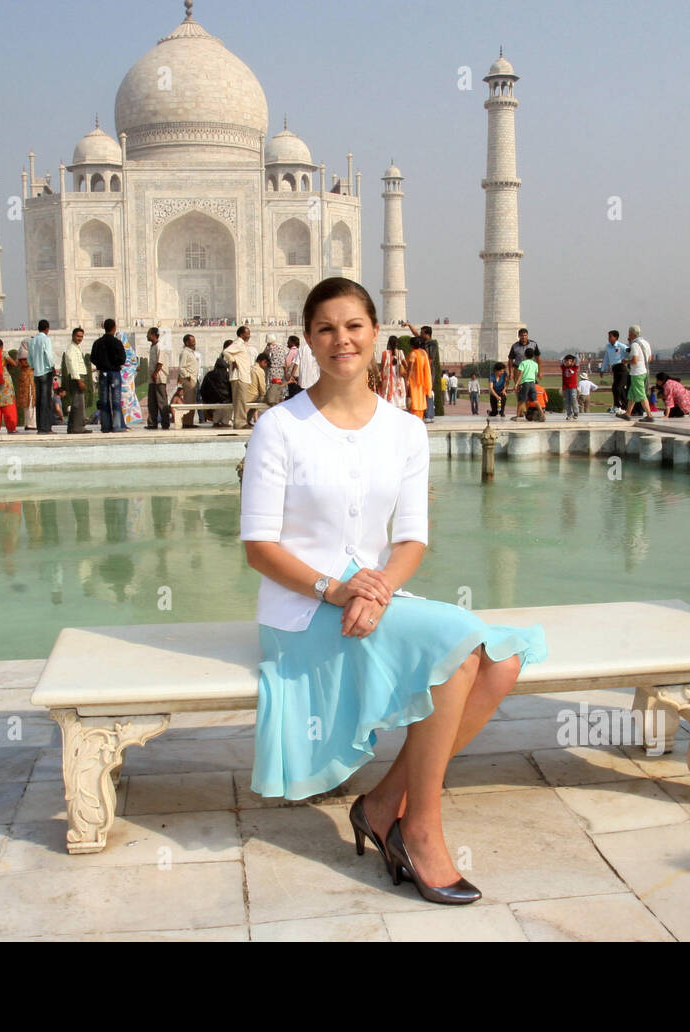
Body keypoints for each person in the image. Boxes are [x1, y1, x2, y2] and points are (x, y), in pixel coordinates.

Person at [239, 276, 546, 905]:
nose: (341, 340)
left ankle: (383, 804)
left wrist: (375, 592)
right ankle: (421, 832)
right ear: (308, 341)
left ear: (376, 334)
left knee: (502, 660)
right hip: (303, 609)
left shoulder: (405, 429)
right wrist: (335, 589)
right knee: (458, 655)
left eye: (353, 326)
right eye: (326, 328)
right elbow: (259, 547)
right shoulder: (281, 427)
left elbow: (411, 539)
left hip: (375, 600)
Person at [90, 318, 127, 433]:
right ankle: (117, 426)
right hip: (114, 373)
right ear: (114, 328)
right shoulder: (117, 342)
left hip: (103, 373)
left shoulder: (97, 342)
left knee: (104, 400)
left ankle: (105, 426)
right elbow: (122, 358)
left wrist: (101, 365)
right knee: (115, 400)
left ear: (104, 328)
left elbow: (93, 358)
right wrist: (116, 364)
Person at [27, 319, 56, 434]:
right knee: (46, 401)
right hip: (45, 372)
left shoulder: (32, 341)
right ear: (47, 329)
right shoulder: (46, 339)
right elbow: (48, 355)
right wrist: (52, 366)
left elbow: (29, 358)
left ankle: (40, 427)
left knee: (39, 400)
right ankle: (46, 428)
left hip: (36, 373)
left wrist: (34, 366)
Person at [62, 327, 90, 434]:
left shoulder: (76, 347)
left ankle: (72, 427)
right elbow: (73, 367)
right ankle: (78, 428)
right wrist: (79, 380)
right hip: (76, 378)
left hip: (77, 377)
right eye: (78, 336)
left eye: (81, 336)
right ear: (73, 336)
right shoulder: (71, 349)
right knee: (78, 404)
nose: (80, 338)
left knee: (76, 404)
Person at [623, 326, 653, 422]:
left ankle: (649, 415)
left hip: (637, 373)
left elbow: (635, 360)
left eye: (629, 333)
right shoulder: (646, 343)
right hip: (644, 371)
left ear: (632, 333)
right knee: (632, 394)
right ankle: (628, 413)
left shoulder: (635, 345)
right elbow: (650, 358)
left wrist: (626, 361)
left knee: (641, 394)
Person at [223, 335, 252, 429]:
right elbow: (226, 352)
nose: (249, 335)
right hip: (239, 376)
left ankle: (241, 422)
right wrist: (233, 360)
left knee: (242, 401)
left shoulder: (242, 344)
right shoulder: (238, 343)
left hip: (243, 376)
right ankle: (240, 423)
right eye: (247, 333)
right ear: (241, 334)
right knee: (240, 401)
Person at [145, 326, 171, 431]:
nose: (147, 336)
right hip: (153, 378)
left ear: (153, 334)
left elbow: (160, 362)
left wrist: (155, 373)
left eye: (148, 334)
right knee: (152, 402)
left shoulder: (160, 346)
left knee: (161, 401)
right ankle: (152, 423)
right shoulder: (153, 346)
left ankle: (165, 423)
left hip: (159, 377)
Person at [120, 332, 144, 429]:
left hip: (123, 380)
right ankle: (123, 423)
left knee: (123, 401)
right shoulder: (128, 350)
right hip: (127, 381)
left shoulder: (119, 349)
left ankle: (123, 423)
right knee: (125, 400)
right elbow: (135, 365)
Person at [201, 354, 232, 425]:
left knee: (217, 412)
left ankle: (216, 422)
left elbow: (203, 389)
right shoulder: (228, 375)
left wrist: (206, 399)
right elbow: (232, 390)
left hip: (211, 401)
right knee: (226, 413)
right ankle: (224, 423)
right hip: (226, 401)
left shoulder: (208, 375)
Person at [178, 333, 201, 428]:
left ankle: (189, 422)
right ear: (187, 342)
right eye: (192, 341)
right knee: (189, 402)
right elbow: (181, 367)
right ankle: (187, 423)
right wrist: (188, 376)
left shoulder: (190, 352)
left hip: (193, 380)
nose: (194, 343)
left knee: (192, 402)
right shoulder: (185, 353)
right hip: (189, 381)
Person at [514, 346, 543, 422]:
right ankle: (542, 414)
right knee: (535, 400)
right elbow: (536, 374)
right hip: (533, 383)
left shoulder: (523, 363)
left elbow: (520, 374)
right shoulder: (535, 364)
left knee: (521, 400)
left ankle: (517, 416)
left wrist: (516, 384)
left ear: (525, 355)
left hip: (525, 383)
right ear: (533, 355)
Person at [406, 336, 431, 420]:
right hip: (423, 380)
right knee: (421, 399)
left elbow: (410, 368)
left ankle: (415, 417)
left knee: (415, 399)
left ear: (412, 345)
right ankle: (420, 417)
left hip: (414, 380)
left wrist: (407, 379)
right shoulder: (423, 353)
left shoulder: (413, 353)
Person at [604, 329, 628, 414]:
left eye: (610, 336)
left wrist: (627, 360)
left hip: (622, 369)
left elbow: (629, 351)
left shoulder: (621, 346)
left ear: (616, 337)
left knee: (619, 388)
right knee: (615, 388)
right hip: (615, 369)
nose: (609, 338)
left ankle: (623, 406)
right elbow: (606, 358)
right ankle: (617, 406)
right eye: (608, 336)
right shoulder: (608, 347)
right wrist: (603, 369)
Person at [246, 353, 270, 425]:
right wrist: (264, 395)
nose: (266, 365)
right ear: (260, 361)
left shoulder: (250, 368)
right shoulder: (259, 370)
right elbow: (262, 386)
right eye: (265, 363)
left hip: (246, 394)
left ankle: (248, 420)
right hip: (253, 396)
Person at [264, 334, 287, 405]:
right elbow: (285, 359)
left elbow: (264, 356)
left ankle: (273, 402)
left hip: (272, 370)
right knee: (281, 388)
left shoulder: (268, 349)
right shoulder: (281, 347)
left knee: (273, 388)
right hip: (281, 370)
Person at [561, 353, 580, 420]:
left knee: (573, 399)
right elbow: (560, 361)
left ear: (572, 362)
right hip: (565, 387)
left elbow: (578, 361)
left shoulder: (574, 367)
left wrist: (574, 357)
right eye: (566, 361)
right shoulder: (563, 368)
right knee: (567, 401)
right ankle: (569, 414)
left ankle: (576, 412)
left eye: (569, 361)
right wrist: (564, 357)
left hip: (573, 387)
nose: (567, 362)